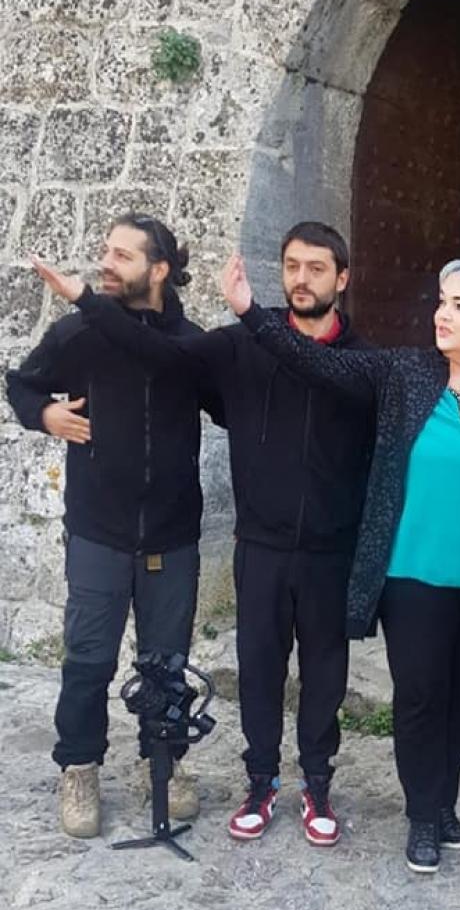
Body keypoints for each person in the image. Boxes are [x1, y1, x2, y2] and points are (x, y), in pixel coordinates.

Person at [32, 222, 374, 848]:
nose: (301, 279)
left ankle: (254, 774)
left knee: (267, 671)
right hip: (184, 538)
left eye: (316, 268)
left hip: (274, 543)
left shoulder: (351, 358)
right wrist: (56, 382)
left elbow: (285, 384)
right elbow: (146, 358)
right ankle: (111, 769)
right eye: (291, 266)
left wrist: (252, 325)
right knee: (131, 663)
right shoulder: (215, 345)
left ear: (342, 278)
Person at [221, 246, 460, 874]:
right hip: (412, 576)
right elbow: (316, 362)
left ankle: (443, 802)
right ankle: (423, 815)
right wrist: (251, 314)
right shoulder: (405, 373)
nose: (442, 315)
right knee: (420, 698)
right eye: (442, 302)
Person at [6, 214, 223, 838]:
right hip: (98, 530)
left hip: (171, 534)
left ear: (159, 270)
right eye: (106, 250)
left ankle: (165, 762)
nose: (106, 262)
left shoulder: (188, 344)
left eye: (122, 255)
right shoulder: (78, 334)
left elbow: (229, 407)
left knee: (167, 662)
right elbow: (22, 385)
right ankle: (79, 766)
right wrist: (44, 415)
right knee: (88, 660)